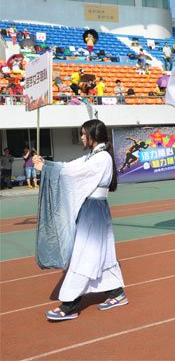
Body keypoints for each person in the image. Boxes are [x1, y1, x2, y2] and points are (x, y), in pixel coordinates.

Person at [33, 119, 128, 321]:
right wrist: (47, 164)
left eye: (84, 134)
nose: (82, 137)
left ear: (93, 135)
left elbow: (73, 173)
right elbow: (70, 166)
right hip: (92, 210)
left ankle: (70, 305)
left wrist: (46, 170)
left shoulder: (101, 158)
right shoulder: (94, 156)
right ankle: (116, 293)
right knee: (101, 254)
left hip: (94, 211)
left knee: (83, 255)